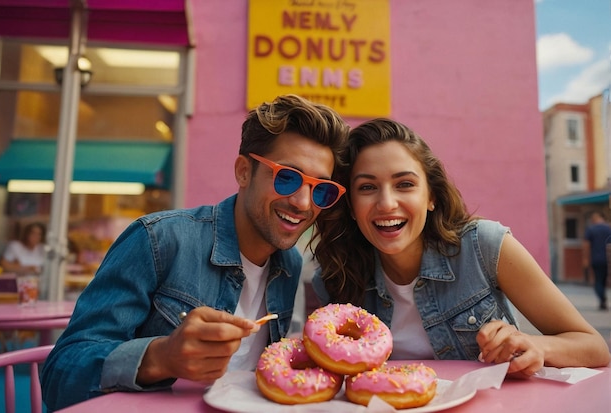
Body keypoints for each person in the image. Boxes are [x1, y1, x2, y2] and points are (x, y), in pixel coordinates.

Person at [41, 94, 349, 411]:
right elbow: (58, 376)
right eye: (286, 177)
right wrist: (161, 357)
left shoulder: (289, 263)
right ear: (244, 171)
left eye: (320, 189)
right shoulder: (158, 240)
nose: (302, 203)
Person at [312, 118, 610, 379]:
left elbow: (594, 346)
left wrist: (537, 345)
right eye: (367, 187)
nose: (387, 203)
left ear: (432, 197)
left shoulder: (485, 246)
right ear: (350, 205)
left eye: (404, 184)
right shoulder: (334, 277)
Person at [583, 211, 611, 310]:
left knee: (598, 281)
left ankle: (602, 299)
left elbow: (586, 245)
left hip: (596, 259)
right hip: (608, 259)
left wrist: (585, 259)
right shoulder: (608, 228)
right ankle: (603, 299)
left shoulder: (591, 229)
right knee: (604, 280)